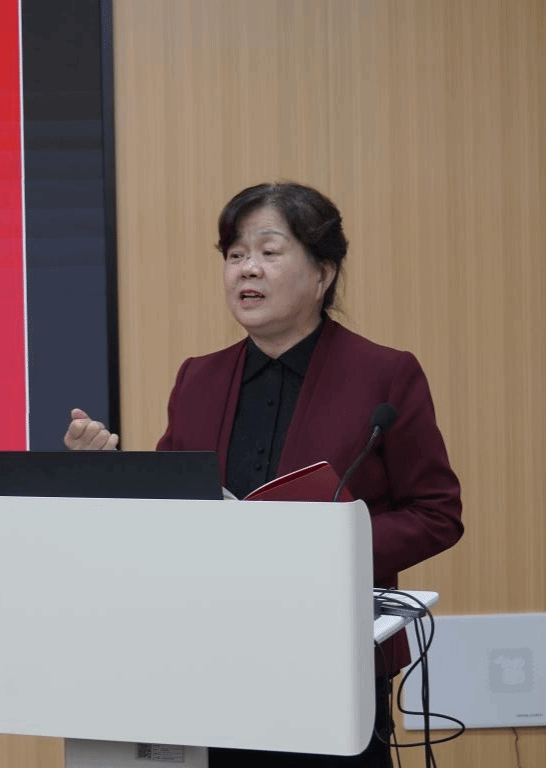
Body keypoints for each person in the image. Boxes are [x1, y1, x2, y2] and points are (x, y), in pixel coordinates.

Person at [65, 182, 463, 767]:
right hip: (208, 659)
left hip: (331, 662)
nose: (246, 269)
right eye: (234, 255)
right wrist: (104, 475)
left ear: (323, 273)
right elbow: (171, 514)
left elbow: (437, 513)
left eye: (269, 252)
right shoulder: (197, 379)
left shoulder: (384, 375)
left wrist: (325, 546)